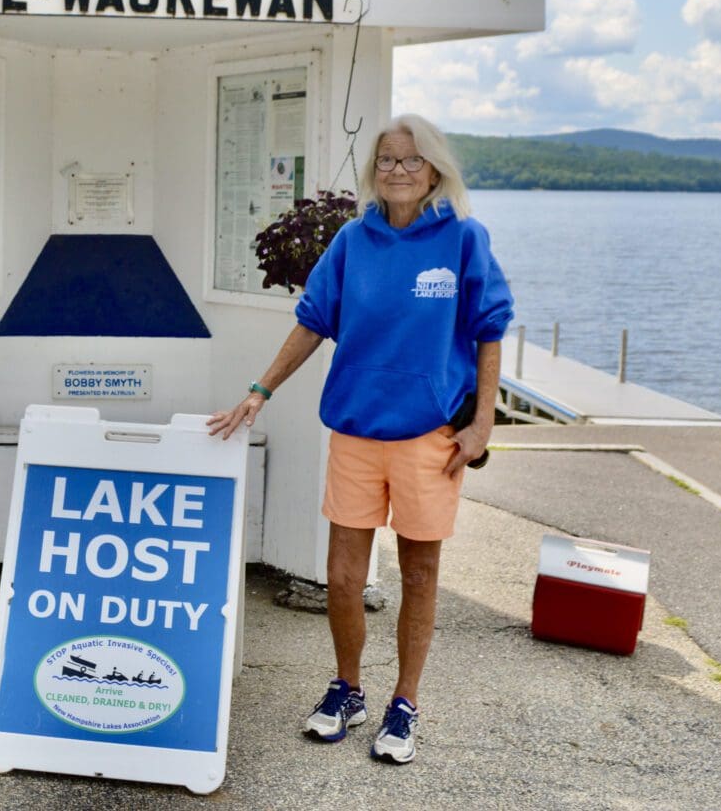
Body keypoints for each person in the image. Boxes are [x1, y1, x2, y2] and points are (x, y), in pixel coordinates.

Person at [208, 114, 512, 765]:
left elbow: (490, 330)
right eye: (386, 161)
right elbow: (314, 321)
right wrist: (258, 392)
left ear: (433, 170)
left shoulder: (462, 239)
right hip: (355, 430)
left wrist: (482, 423)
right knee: (344, 577)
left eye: (411, 161)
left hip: (430, 437)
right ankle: (348, 689)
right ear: (372, 173)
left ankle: (405, 702)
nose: (398, 171)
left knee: (420, 575)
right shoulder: (353, 240)